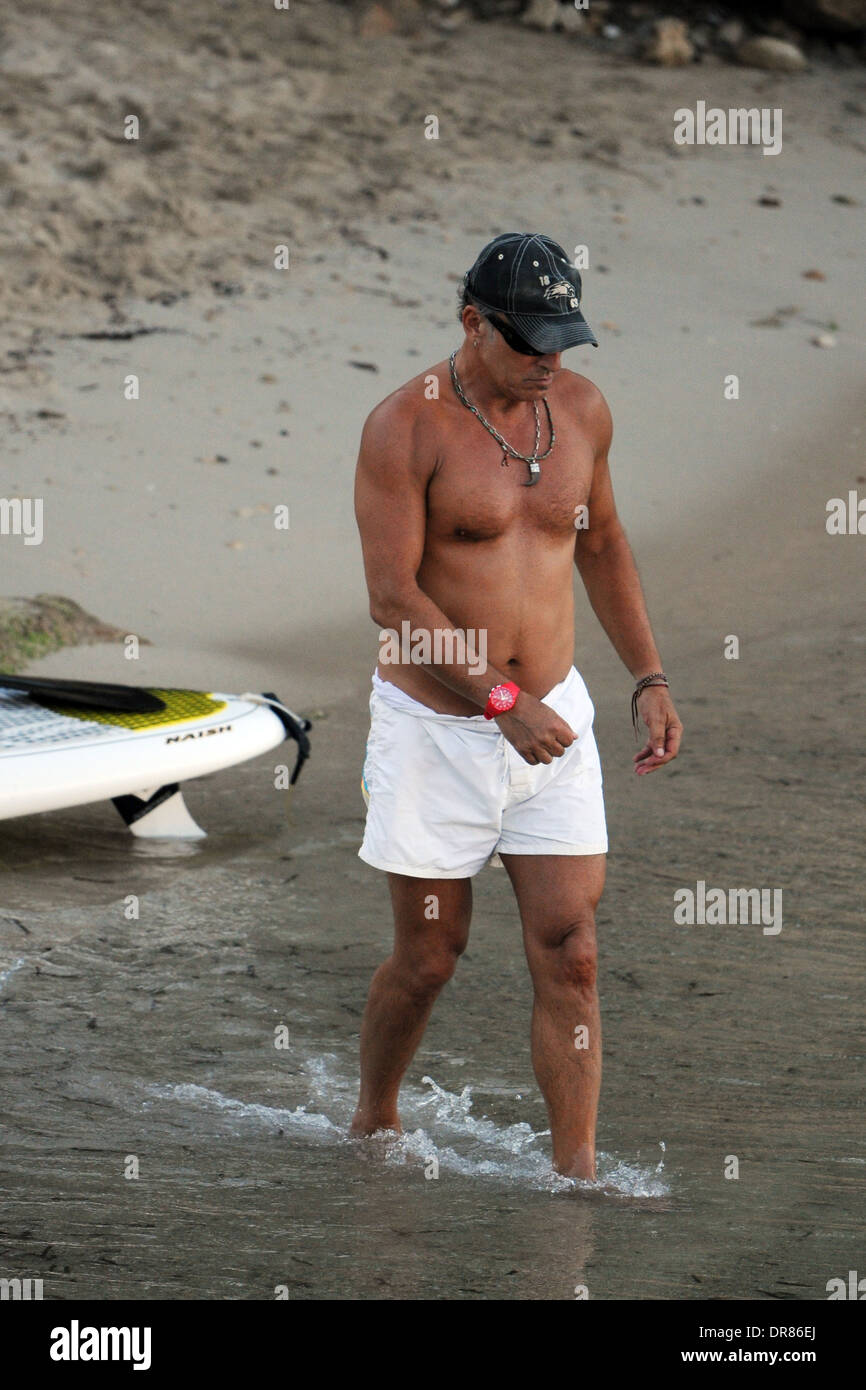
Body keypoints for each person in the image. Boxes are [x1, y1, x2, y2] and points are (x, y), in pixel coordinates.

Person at [351, 232, 682, 1179]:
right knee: (430, 958)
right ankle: (374, 1117)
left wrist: (649, 678)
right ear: (472, 322)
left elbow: (605, 543)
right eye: (532, 342)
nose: (551, 361)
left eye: (564, 341)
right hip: (437, 732)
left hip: (555, 722)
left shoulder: (578, 410)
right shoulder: (403, 428)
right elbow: (394, 601)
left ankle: (574, 1178)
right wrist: (498, 699)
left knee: (572, 951)